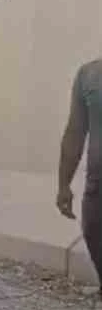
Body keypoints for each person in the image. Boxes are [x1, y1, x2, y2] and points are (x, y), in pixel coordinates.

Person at [57, 58, 102, 296]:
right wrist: (63, 184)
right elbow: (75, 131)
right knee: (93, 230)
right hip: (98, 181)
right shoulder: (88, 74)